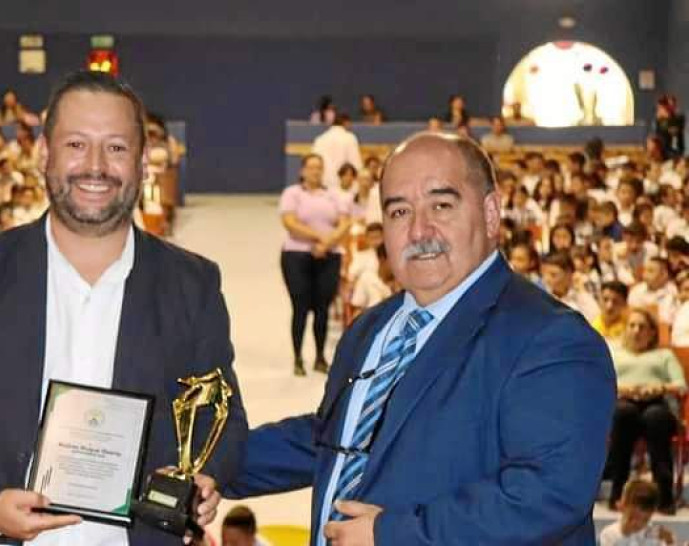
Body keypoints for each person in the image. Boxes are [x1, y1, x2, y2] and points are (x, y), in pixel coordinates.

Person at [0, 70, 247, 544]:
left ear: (144, 162)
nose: (96, 166)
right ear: (44, 153)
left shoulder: (192, 284)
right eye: (77, 144)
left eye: (116, 147)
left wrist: (206, 476)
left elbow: (223, 418)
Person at [225, 132, 615, 544]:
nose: (418, 230)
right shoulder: (371, 328)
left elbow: (548, 494)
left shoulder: (552, 339)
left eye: (441, 206)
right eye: (399, 212)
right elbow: (338, 437)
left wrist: (393, 535)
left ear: (491, 212)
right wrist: (212, 464)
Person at [606, 308, 686, 513]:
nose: (636, 331)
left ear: (652, 332)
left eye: (642, 327)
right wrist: (625, 389)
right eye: (632, 326)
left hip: (656, 403)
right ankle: (618, 492)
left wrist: (659, 387)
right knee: (623, 414)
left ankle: (665, 495)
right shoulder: (615, 354)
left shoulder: (664, 355)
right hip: (624, 402)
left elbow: (681, 385)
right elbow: (602, 383)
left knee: (655, 417)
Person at [279, 154, 350, 375]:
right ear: (302, 171)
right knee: (300, 306)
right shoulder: (292, 193)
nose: (315, 172)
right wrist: (318, 237)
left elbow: (344, 223)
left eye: (319, 167)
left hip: (329, 255)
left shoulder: (334, 195)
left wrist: (328, 242)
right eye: (311, 167)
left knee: (322, 308)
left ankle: (320, 356)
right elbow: (290, 222)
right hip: (297, 254)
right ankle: (298, 357)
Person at [598, 480, 675, 545]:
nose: (637, 523)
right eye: (632, 517)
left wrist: (669, 542)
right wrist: (625, 535)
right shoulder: (609, 533)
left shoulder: (655, 534)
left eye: (644, 520)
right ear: (622, 506)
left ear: (652, 512)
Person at [311, 113, 362, 189]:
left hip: (323, 185)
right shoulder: (350, 138)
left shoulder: (319, 139)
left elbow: (313, 163)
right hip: (343, 186)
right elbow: (355, 164)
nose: (350, 127)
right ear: (346, 123)